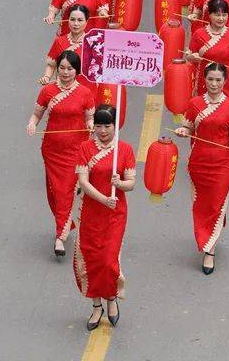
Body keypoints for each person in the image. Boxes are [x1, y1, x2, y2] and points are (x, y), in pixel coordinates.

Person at [175, 62, 229, 275]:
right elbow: (188, 126)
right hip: (199, 163)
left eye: (218, 80)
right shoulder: (195, 104)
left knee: (215, 203)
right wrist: (183, 131)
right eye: (210, 79)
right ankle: (212, 230)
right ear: (205, 80)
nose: (214, 84)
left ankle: (209, 251)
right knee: (203, 205)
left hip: (222, 164)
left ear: (225, 81)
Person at [27, 49, 95, 256]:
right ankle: (65, 222)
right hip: (51, 149)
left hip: (75, 150)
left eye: (70, 69)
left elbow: (89, 118)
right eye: (62, 68)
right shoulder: (48, 91)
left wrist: (91, 126)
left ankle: (60, 236)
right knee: (54, 191)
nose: (65, 72)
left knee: (65, 190)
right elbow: (36, 114)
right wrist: (31, 124)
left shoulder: (85, 93)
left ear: (77, 70)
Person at [73, 105, 135, 329]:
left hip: (115, 214)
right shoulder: (85, 148)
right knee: (93, 259)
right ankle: (96, 305)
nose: (102, 131)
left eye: (107, 125)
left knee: (109, 261)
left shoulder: (125, 150)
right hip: (92, 211)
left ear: (115, 125)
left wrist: (120, 184)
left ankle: (112, 298)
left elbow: (131, 183)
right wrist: (102, 199)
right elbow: (83, 182)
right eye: (98, 126)